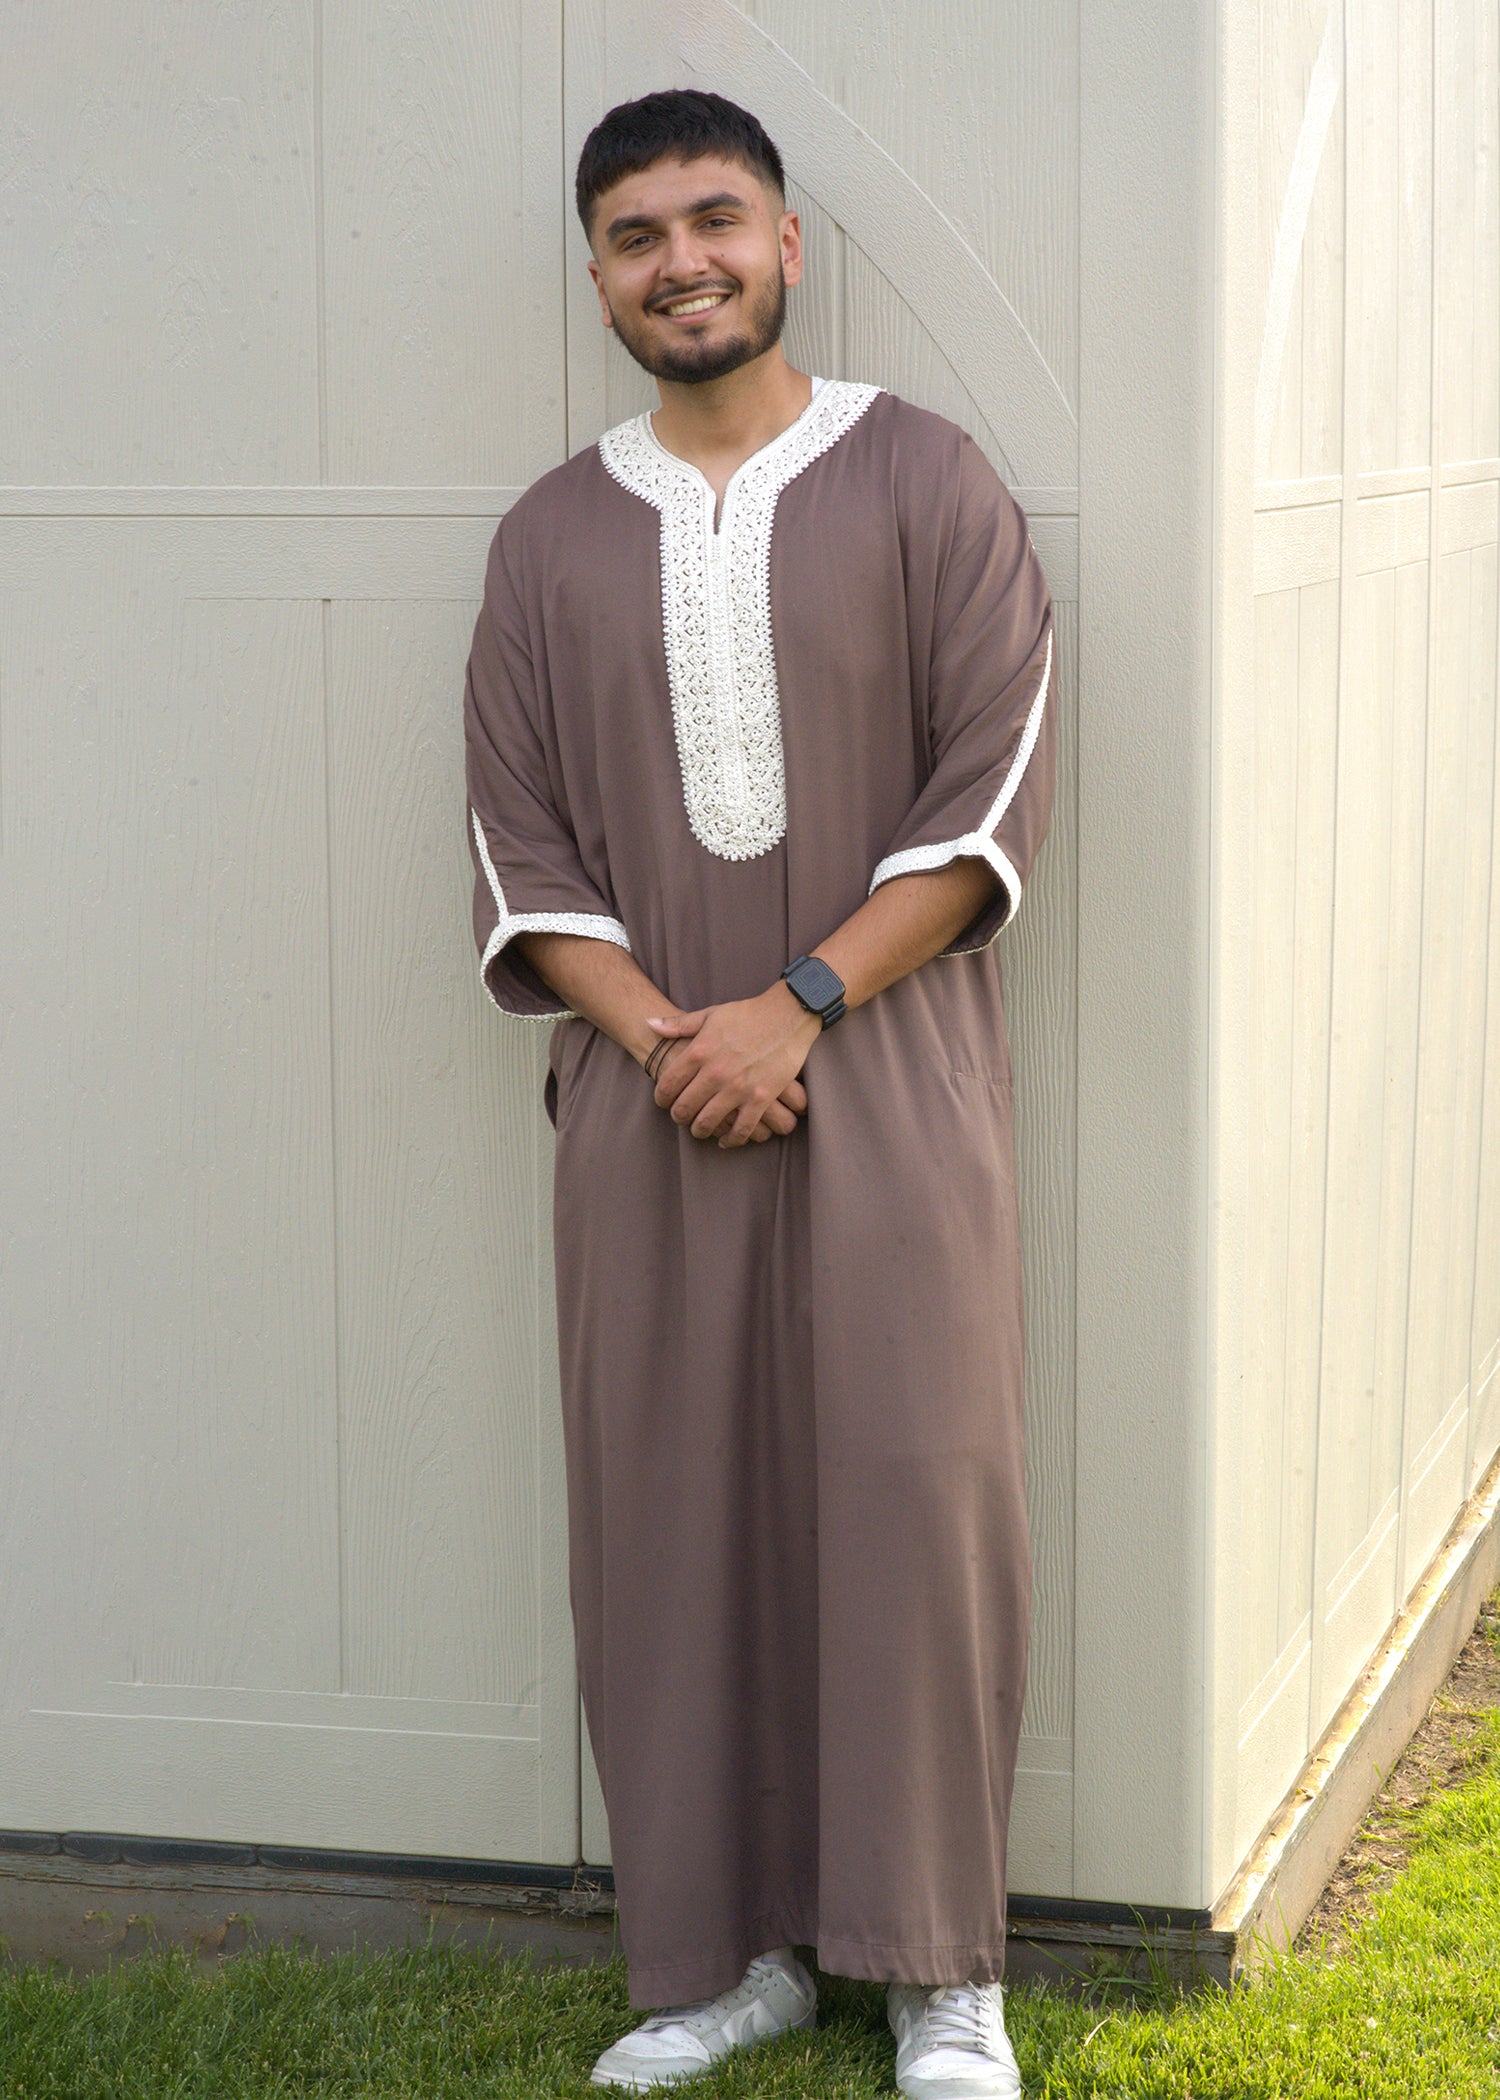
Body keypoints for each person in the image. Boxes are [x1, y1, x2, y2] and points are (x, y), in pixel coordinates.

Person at [463, 87, 1055, 2100]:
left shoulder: (928, 482)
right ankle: (721, 1958)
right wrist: (673, 1040)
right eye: (634, 234)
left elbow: (992, 780)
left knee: (918, 1496)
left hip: (891, 1087)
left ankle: (937, 1970)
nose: (679, 257)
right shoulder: (547, 540)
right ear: (604, 277)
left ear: (789, 244)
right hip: (651, 1107)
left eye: (714, 217)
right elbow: (518, 850)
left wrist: (794, 1004)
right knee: (671, 1515)